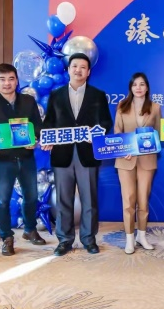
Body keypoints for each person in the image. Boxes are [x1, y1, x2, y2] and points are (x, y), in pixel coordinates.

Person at [42, 53, 113, 256]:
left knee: (89, 199)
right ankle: (64, 240)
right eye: (75, 66)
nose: (78, 70)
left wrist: (97, 134)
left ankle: (89, 239)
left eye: (83, 67)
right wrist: (47, 138)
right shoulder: (56, 95)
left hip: (87, 153)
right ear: (68, 69)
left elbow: (106, 122)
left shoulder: (98, 95)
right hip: (62, 154)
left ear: (88, 72)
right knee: (63, 199)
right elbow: (49, 122)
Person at [0, 63, 46, 256]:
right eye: (2, 79)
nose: (7, 83)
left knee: (31, 197)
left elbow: (37, 126)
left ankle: (30, 229)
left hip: (26, 157)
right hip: (3, 160)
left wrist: (35, 139)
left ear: (17, 81)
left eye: (11, 79)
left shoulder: (28, 101)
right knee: (2, 201)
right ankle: (6, 237)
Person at [113, 72, 160, 254]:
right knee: (128, 201)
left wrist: (154, 143)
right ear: (131, 88)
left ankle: (142, 235)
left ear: (147, 87)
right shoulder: (122, 105)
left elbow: (158, 133)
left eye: (142, 84)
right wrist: (123, 149)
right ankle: (129, 239)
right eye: (135, 85)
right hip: (125, 160)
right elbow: (117, 131)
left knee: (143, 201)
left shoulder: (155, 107)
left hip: (147, 160)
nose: (138, 88)